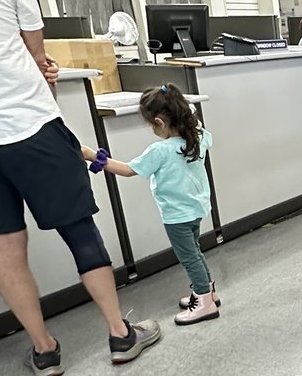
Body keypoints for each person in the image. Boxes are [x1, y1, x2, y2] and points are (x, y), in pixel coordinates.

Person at [0, 0, 160, 376]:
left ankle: (44, 350)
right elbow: (38, 54)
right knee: (79, 230)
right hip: (29, 123)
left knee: (2, 247)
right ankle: (119, 333)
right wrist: (42, 73)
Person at [84, 85, 218, 326]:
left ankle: (205, 301)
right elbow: (200, 128)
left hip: (176, 216)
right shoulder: (197, 137)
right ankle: (207, 292)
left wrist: (93, 155)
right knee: (195, 252)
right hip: (196, 209)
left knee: (190, 258)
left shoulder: (160, 150)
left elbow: (127, 170)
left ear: (159, 122)